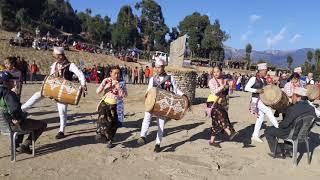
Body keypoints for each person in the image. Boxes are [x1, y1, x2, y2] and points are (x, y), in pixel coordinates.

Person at [21, 47, 87, 139]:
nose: (54, 57)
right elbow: (51, 77)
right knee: (36, 96)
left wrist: (83, 84)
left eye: (55, 56)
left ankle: (61, 131)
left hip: (64, 90)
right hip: (52, 87)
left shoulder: (70, 65)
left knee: (62, 111)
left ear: (60, 56)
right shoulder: (54, 64)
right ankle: (20, 110)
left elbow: (80, 74)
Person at [136, 57, 187, 152]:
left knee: (161, 124)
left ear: (163, 67)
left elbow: (176, 90)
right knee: (147, 117)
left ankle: (158, 144)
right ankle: (143, 136)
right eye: (156, 67)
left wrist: (183, 95)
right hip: (153, 102)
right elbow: (148, 90)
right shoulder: (152, 79)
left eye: (160, 67)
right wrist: (147, 98)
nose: (157, 69)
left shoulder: (170, 77)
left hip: (164, 104)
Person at [0, 71, 47, 154]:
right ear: (5, 82)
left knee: (23, 120)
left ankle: (15, 144)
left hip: (3, 126)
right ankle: (25, 146)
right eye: (11, 81)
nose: (14, 83)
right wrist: (19, 117)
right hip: (14, 126)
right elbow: (14, 110)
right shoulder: (9, 94)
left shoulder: (2, 94)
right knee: (42, 124)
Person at [265, 87, 316, 158]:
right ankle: (289, 151)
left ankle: (278, 153)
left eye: (293, 96)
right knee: (291, 128)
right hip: (303, 135)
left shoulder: (293, 109)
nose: (292, 98)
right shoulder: (311, 108)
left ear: (298, 96)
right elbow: (313, 121)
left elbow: (284, 125)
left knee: (268, 131)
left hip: (291, 135)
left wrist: (279, 125)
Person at [245, 63, 279, 143]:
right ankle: (278, 127)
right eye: (265, 71)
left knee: (260, 117)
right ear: (261, 71)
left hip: (262, 100)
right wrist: (256, 90)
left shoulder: (264, 80)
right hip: (256, 100)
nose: (266, 72)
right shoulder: (253, 78)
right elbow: (246, 88)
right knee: (268, 111)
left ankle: (255, 135)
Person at [96, 66, 127, 148]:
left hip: (115, 106)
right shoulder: (106, 81)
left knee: (113, 124)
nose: (117, 75)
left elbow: (124, 95)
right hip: (105, 103)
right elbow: (97, 92)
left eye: (118, 73)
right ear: (110, 73)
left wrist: (119, 88)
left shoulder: (122, 83)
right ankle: (100, 133)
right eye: (115, 73)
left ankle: (110, 140)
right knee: (102, 118)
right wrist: (104, 84)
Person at [206, 66, 238, 148]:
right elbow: (214, 92)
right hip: (212, 102)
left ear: (221, 71)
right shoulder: (211, 81)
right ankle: (229, 132)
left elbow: (230, 92)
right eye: (214, 72)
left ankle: (212, 141)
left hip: (223, 102)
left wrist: (231, 86)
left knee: (216, 122)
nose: (216, 73)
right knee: (221, 116)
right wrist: (223, 86)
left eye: (217, 71)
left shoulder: (225, 80)